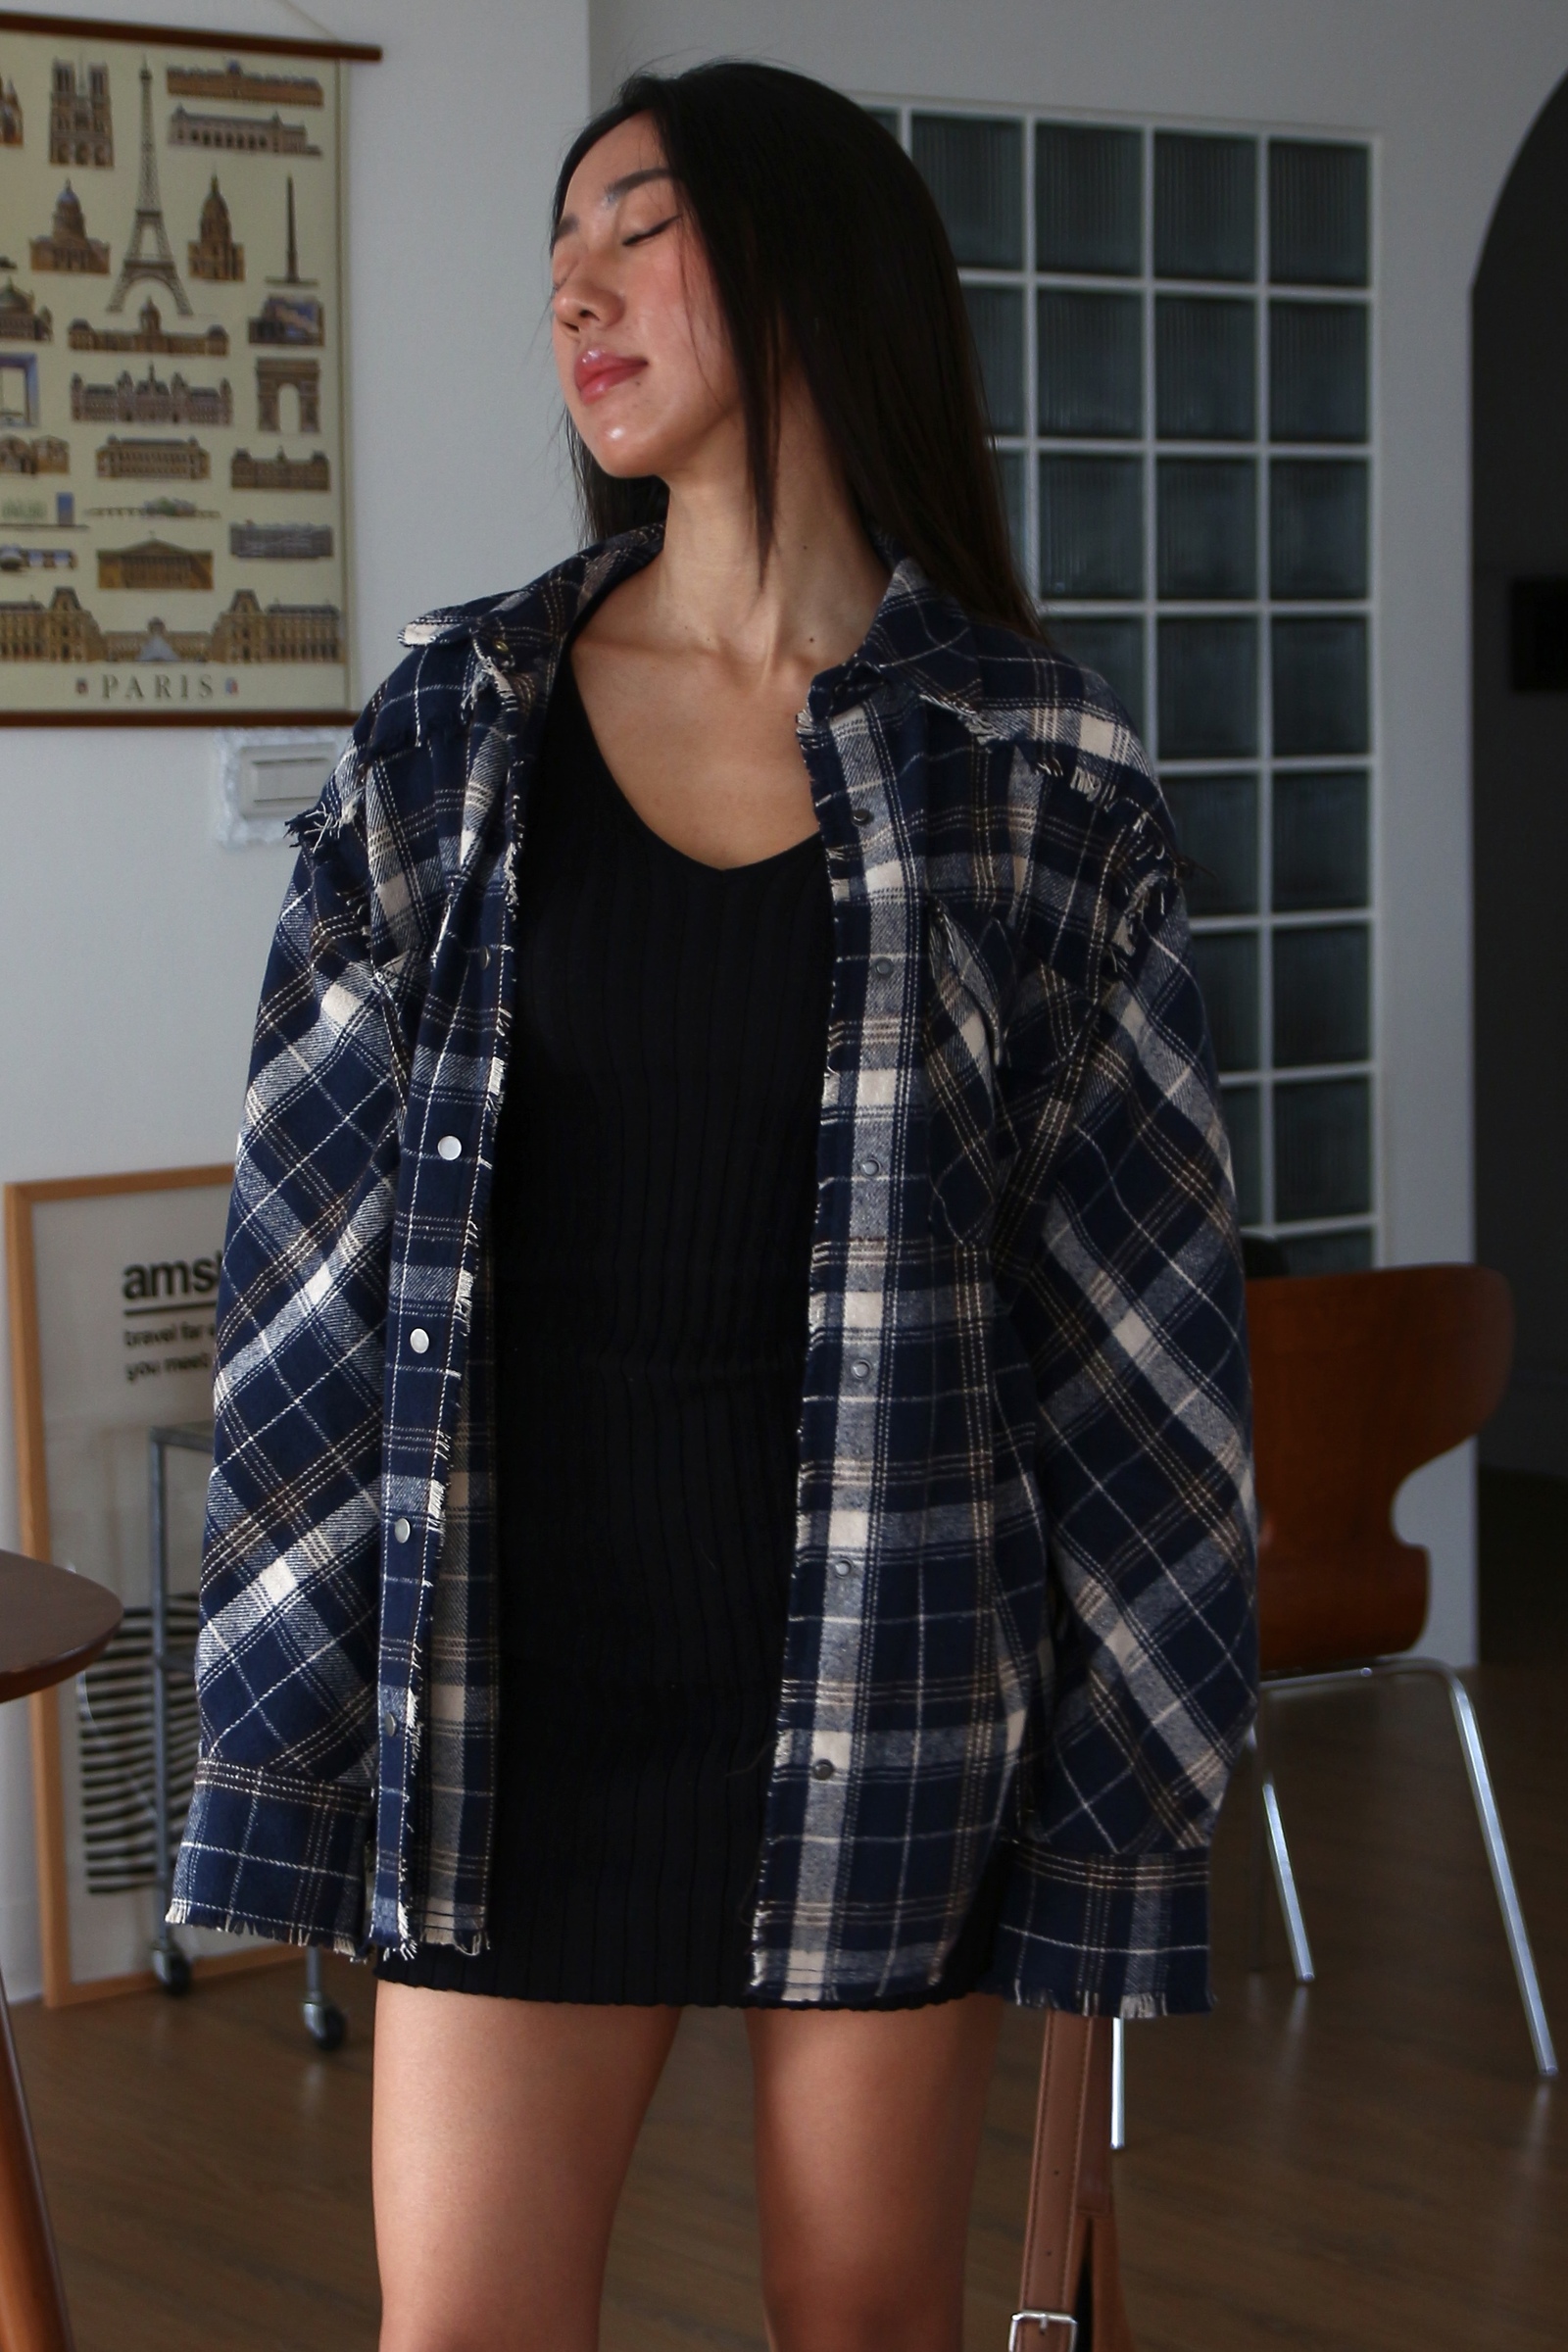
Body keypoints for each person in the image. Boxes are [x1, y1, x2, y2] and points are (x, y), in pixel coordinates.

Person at [171, 60, 1257, 2352]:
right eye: (557, 248)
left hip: (886, 1685)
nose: (574, 289)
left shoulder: (1036, 769)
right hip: (509, 1696)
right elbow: (301, 1273)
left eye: (637, 225)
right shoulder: (450, 732)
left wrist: (1123, 1812)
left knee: (858, 2319)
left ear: (804, 265)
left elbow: (1141, 1344)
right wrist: (286, 1720)